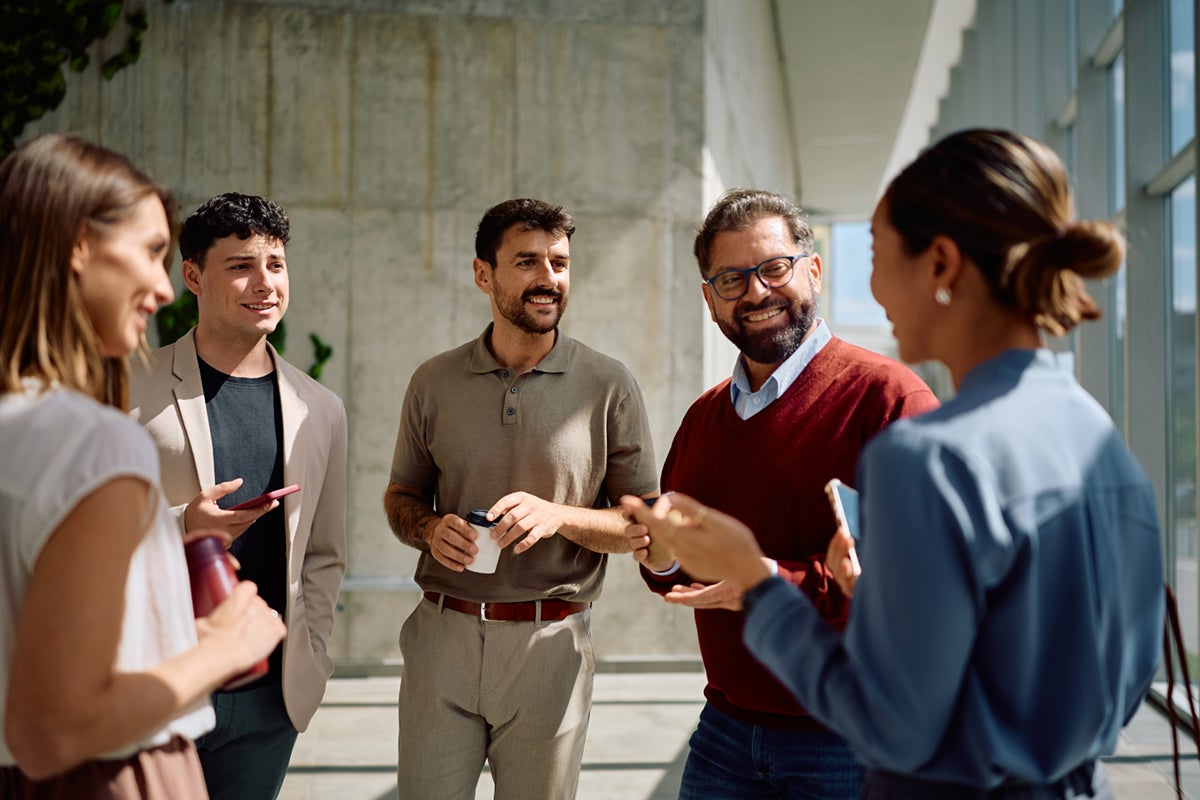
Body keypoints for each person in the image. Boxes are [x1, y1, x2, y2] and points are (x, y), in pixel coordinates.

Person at [623, 129, 1164, 800]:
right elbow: (1120, 670)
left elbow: (894, 722)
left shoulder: (925, 446)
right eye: (732, 279)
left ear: (939, 264)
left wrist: (758, 583)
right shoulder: (1098, 436)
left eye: (876, 253)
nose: (874, 289)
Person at [629, 188, 939, 799]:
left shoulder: (891, 400)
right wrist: (661, 557)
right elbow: (676, 569)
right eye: (731, 279)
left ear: (814, 270)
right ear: (709, 298)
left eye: (774, 268)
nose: (756, 293)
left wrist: (765, 581)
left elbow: (917, 587)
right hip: (724, 734)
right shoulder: (703, 418)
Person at [0, 134, 285, 797]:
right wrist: (222, 646)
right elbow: (54, 729)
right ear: (77, 244)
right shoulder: (94, 441)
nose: (161, 290)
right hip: (115, 776)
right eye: (151, 253)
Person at [383, 197, 658, 799]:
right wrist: (430, 529)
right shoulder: (433, 381)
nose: (548, 279)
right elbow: (401, 496)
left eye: (559, 263)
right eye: (527, 262)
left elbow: (643, 526)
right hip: (442, 639)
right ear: (484, 274)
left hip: (551, 645)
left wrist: (558, 516)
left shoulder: (609, 384)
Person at [130, 193, 348, 800]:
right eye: (241, 265)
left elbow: (324, 553)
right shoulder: (125, 386)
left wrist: (313, 658)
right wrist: (181, 527)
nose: (265, 283)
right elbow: (75, 533)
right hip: (156, 688)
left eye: (276, 264)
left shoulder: (321, 409)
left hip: (268, 705)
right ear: (193, 276)